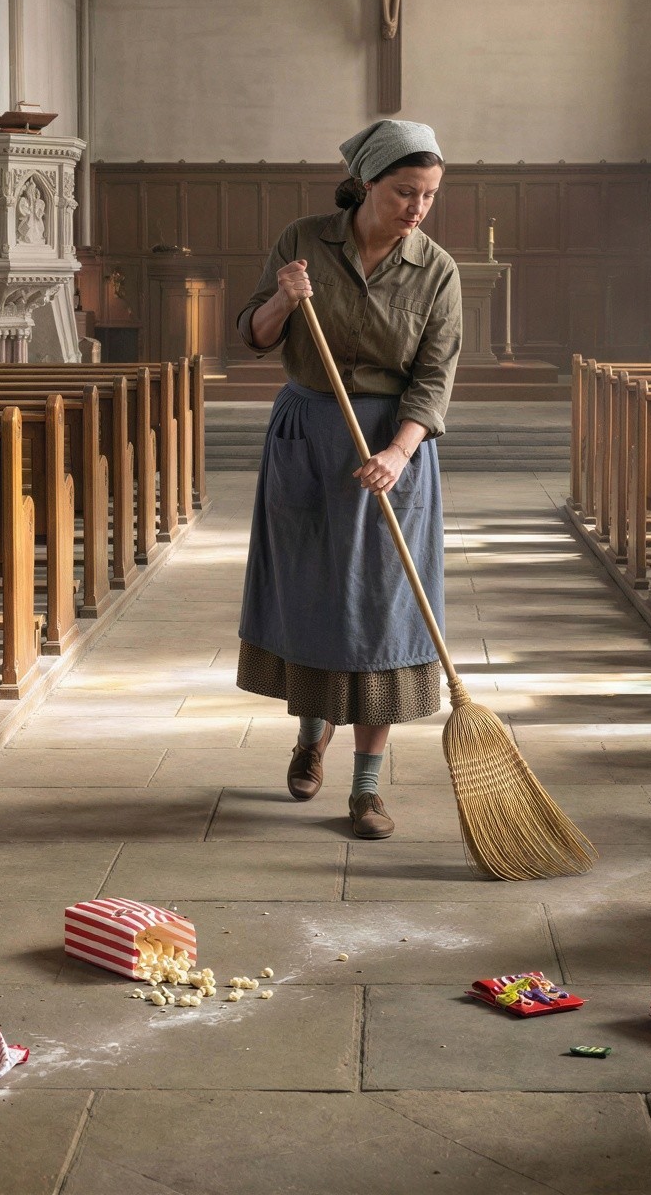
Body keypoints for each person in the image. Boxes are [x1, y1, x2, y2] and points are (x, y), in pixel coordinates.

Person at [231, 119, 461, 839]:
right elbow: (254, 333)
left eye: (428, 195)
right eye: (404, 193)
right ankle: (310, 735)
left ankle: (366, 790)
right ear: (366, 184)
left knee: (383, 614)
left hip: (392, 451)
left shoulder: (437, 270)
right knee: (314, 600)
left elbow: (434, 377)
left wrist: (399, 451)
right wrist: (281, 297)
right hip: (308, 439)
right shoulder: (303, 241)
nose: (417, 208)